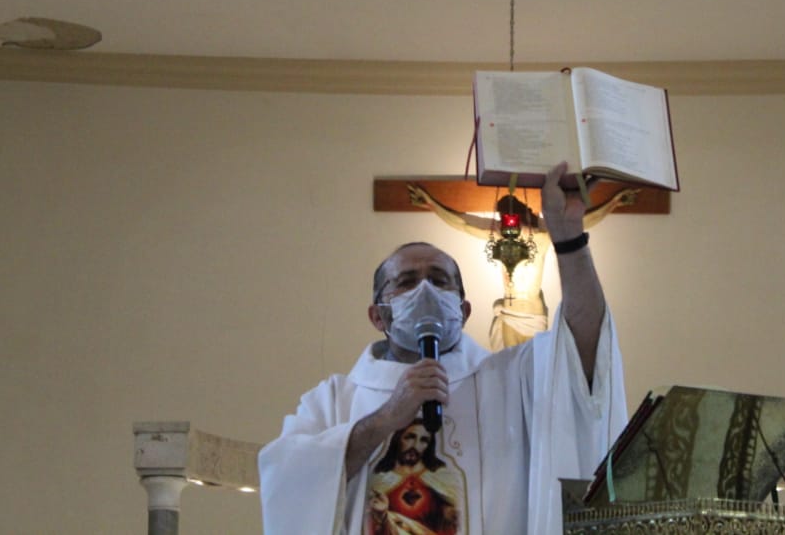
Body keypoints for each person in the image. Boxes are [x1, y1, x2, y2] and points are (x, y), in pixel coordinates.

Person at [258, 162, 628, 535]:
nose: (426, 291)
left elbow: (584, 347)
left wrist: (568, 237)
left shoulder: (510, 379)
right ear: (377, 316)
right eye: (406, 282)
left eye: (439, 280)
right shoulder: (333, 401)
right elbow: (289, 481)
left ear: (463, 311)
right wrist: (386, 417)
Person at [406, 183, 638, 348]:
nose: (509, 222)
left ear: (524, 215)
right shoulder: (500, 236)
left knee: (534, 370)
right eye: (504, 218)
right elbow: (463, 223)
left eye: (512, 216)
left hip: (532, 313)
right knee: (507, 369)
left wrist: (613, 203)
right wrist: (433, 205)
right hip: (509, 312)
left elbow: (581, 221)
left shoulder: (541, 237)